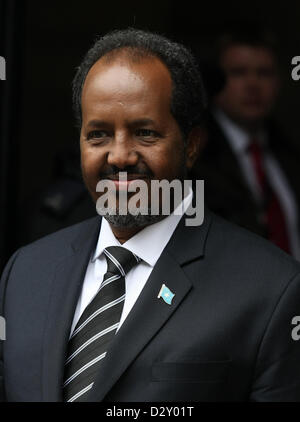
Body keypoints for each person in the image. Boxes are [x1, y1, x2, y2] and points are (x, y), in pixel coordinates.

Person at [1, 28, 300, 402]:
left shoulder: (272, 289)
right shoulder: (25, 273)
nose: (120, 156)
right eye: (98, 135)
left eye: (144, 132)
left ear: (191, 146)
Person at [192, 23, 300, 259]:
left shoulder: (287, 152)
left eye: (264, 73)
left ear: (279, 81)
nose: (252, 85)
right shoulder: (195, 157)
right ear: (216, 81)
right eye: (238, 72)